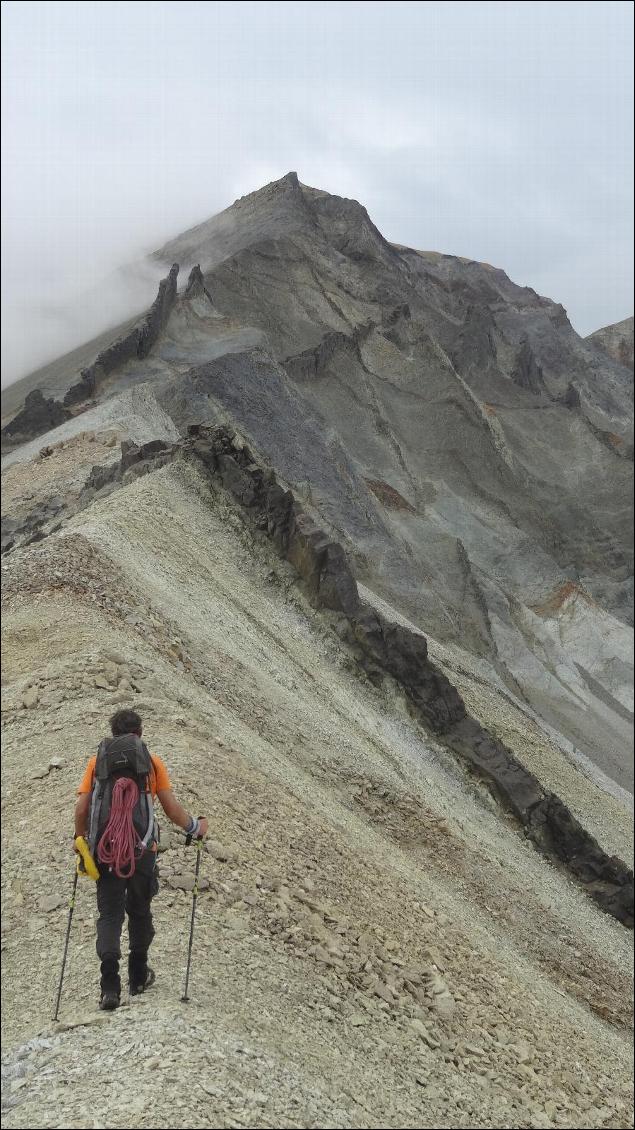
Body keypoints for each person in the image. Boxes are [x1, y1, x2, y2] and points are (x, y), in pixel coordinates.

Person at [74, 708, 208, 1010]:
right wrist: (195, 827)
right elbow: (172, 809)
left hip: (106, 850)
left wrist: (79, 839)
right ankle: (137, 976)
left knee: (109, 916)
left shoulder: (97, 763)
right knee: (140, 910)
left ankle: (109, 987)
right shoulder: (151, 763)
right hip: (142, 850)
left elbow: (82, 809)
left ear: (113, 732)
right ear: (140, 733)